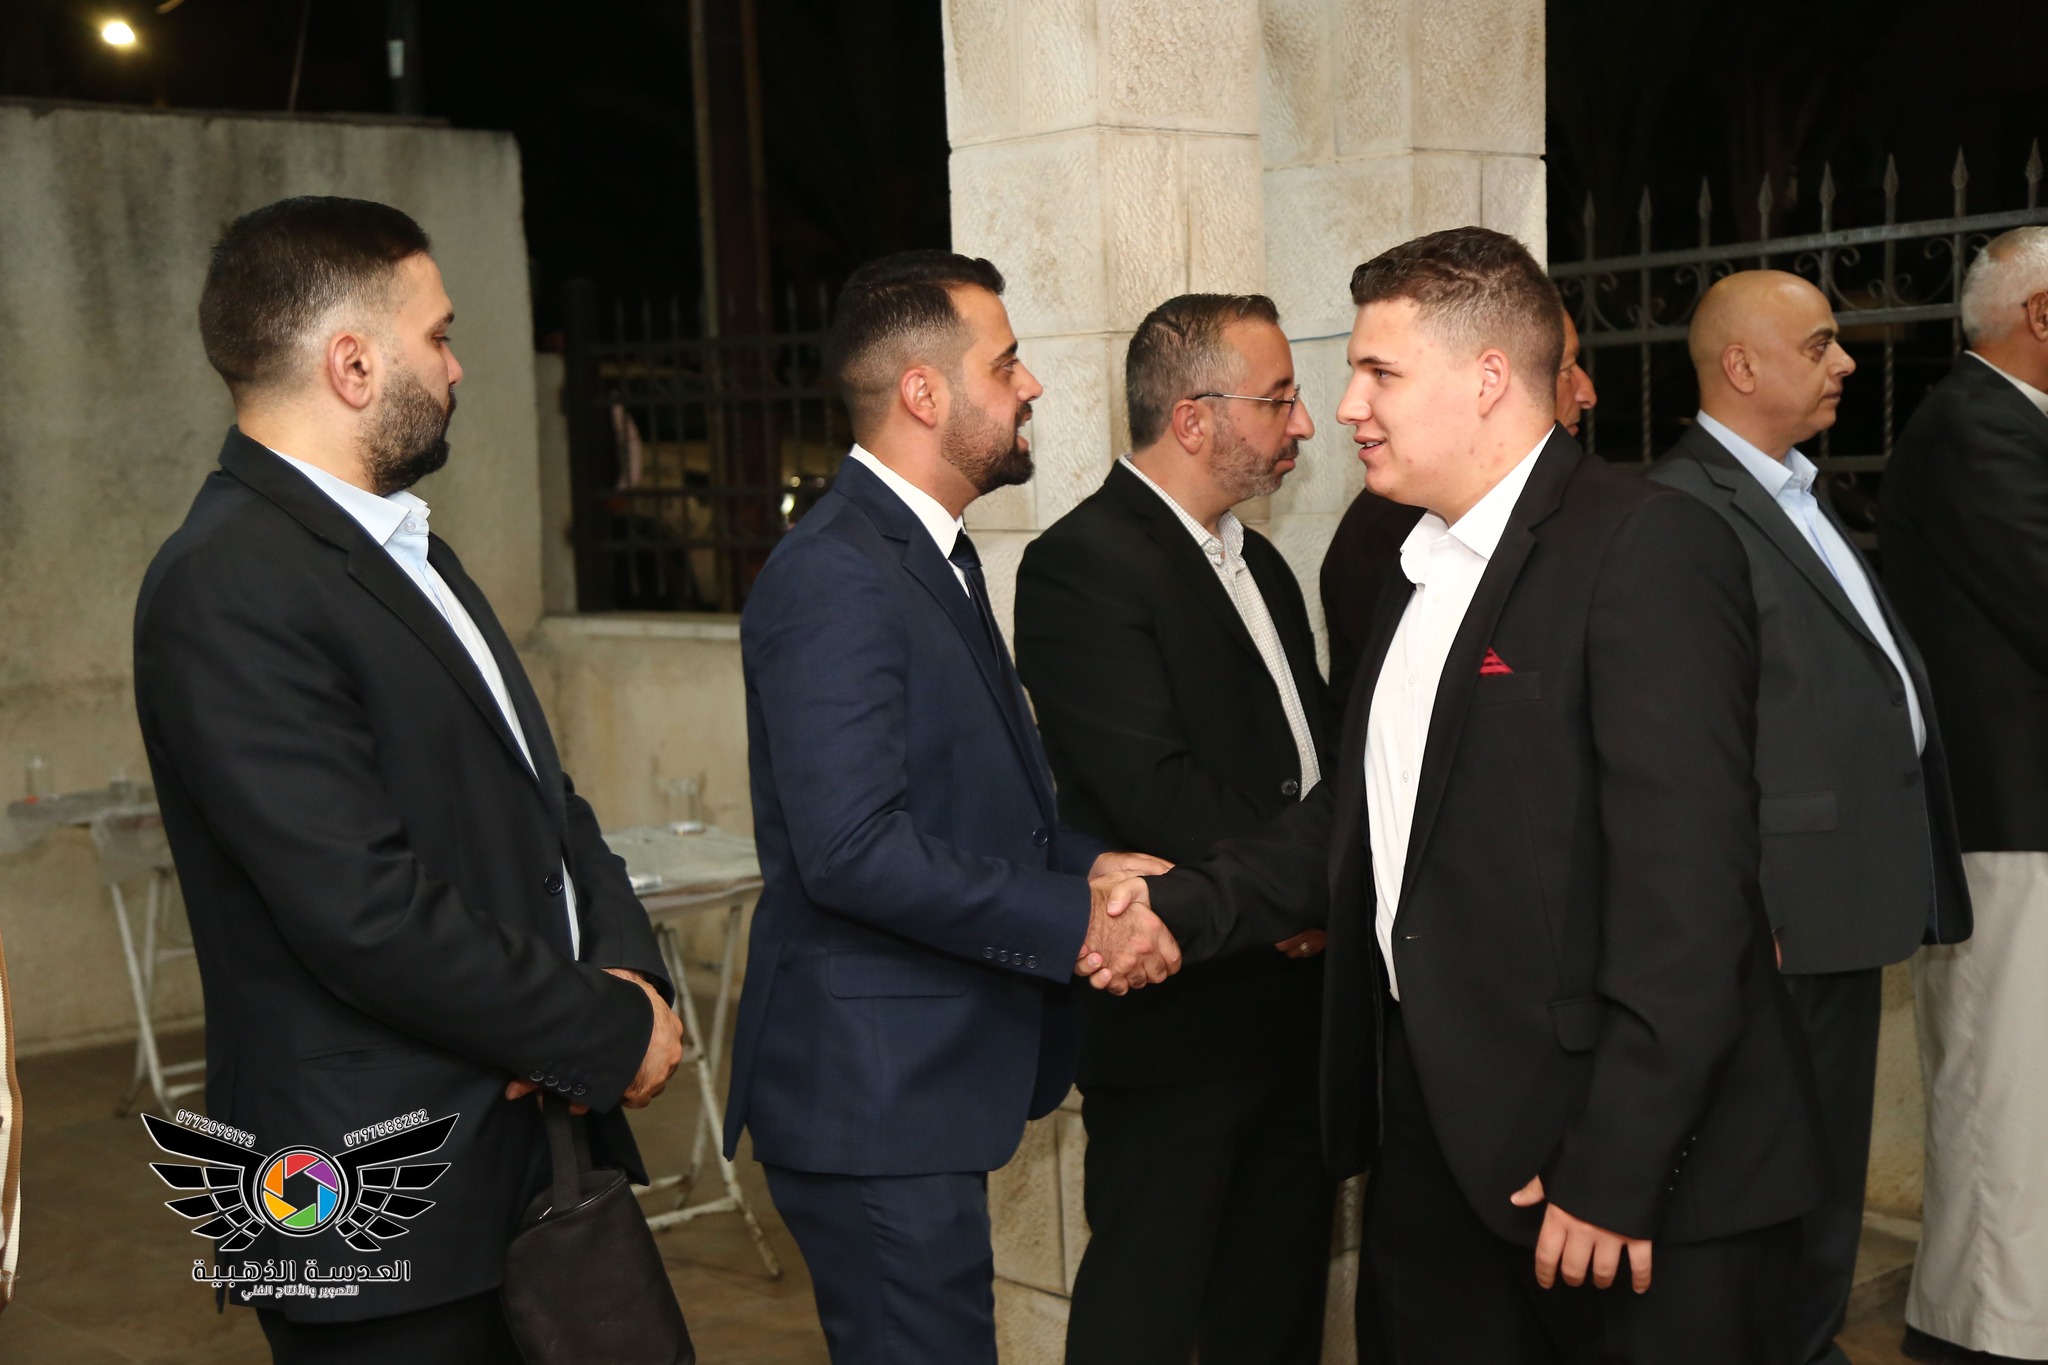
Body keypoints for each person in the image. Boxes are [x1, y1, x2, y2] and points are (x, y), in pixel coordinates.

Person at [1103, 226, 1829, 1365]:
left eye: (1378, 372)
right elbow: (1365, 816)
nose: (1347, 408)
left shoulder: (1645, 544)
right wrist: (1177, 909)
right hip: (1438, 1142)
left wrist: (1617, 1164)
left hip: (1624, 1179)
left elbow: (1689, 898)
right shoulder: (1415, 561)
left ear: (1488, 378)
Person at [132, 197, 684, 1363]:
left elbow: (545, 800)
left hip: (524, 1158)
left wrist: (627, 967)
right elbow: (362, 913)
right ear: (352, 364)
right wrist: (598, 1028)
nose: (456, 366)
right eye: (437, 336)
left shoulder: (404, 546)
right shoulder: (224, 584)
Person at [723, 250, 1180, 1365]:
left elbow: (959, 807)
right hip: (873, 1097)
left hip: (917, 1085)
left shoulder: (928, 554)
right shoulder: (836, 570)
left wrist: (1084, 864)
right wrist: (1074, 919)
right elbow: (850, 849)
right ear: (924, 393)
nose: (1030, 386)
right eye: (1006, 363)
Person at [1647, 270, 1971, 1365]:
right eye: (1820, 343)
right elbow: (1688, 741)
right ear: (1741, 366)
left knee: (1826, 1169)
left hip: (1841, 898)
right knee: (1769, 1181)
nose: (1845, 362)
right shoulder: (1684, 507)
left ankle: (1807, 1345)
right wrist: (1748, 903)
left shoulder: (1797, 491)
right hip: (1778, 912)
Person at [1013, 293, 1334, 1365]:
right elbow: (1153, 789)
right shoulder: (1083, 561)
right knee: (1145, 1313)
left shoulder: (1262, 563)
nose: (1303, 422)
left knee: (1274, 1310)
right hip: (1178, 1019)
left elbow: (1312, 756)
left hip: (1295, 1008)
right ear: (1193, 419)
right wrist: (1295, 888)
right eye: (1278, 399)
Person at [1880, 225, 2048, 1364]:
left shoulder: (2010, 425)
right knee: (2001, 1092)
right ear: (2039, 316)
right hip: (2005, 820)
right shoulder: (1972, 429)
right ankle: (1978, 1335)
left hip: (2026, 822)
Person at [1321, 304, 1596, 701]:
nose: (1586, 393)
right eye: (1566, 369)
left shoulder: (1624, 534)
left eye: (1381, 373)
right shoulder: (1389, 532)